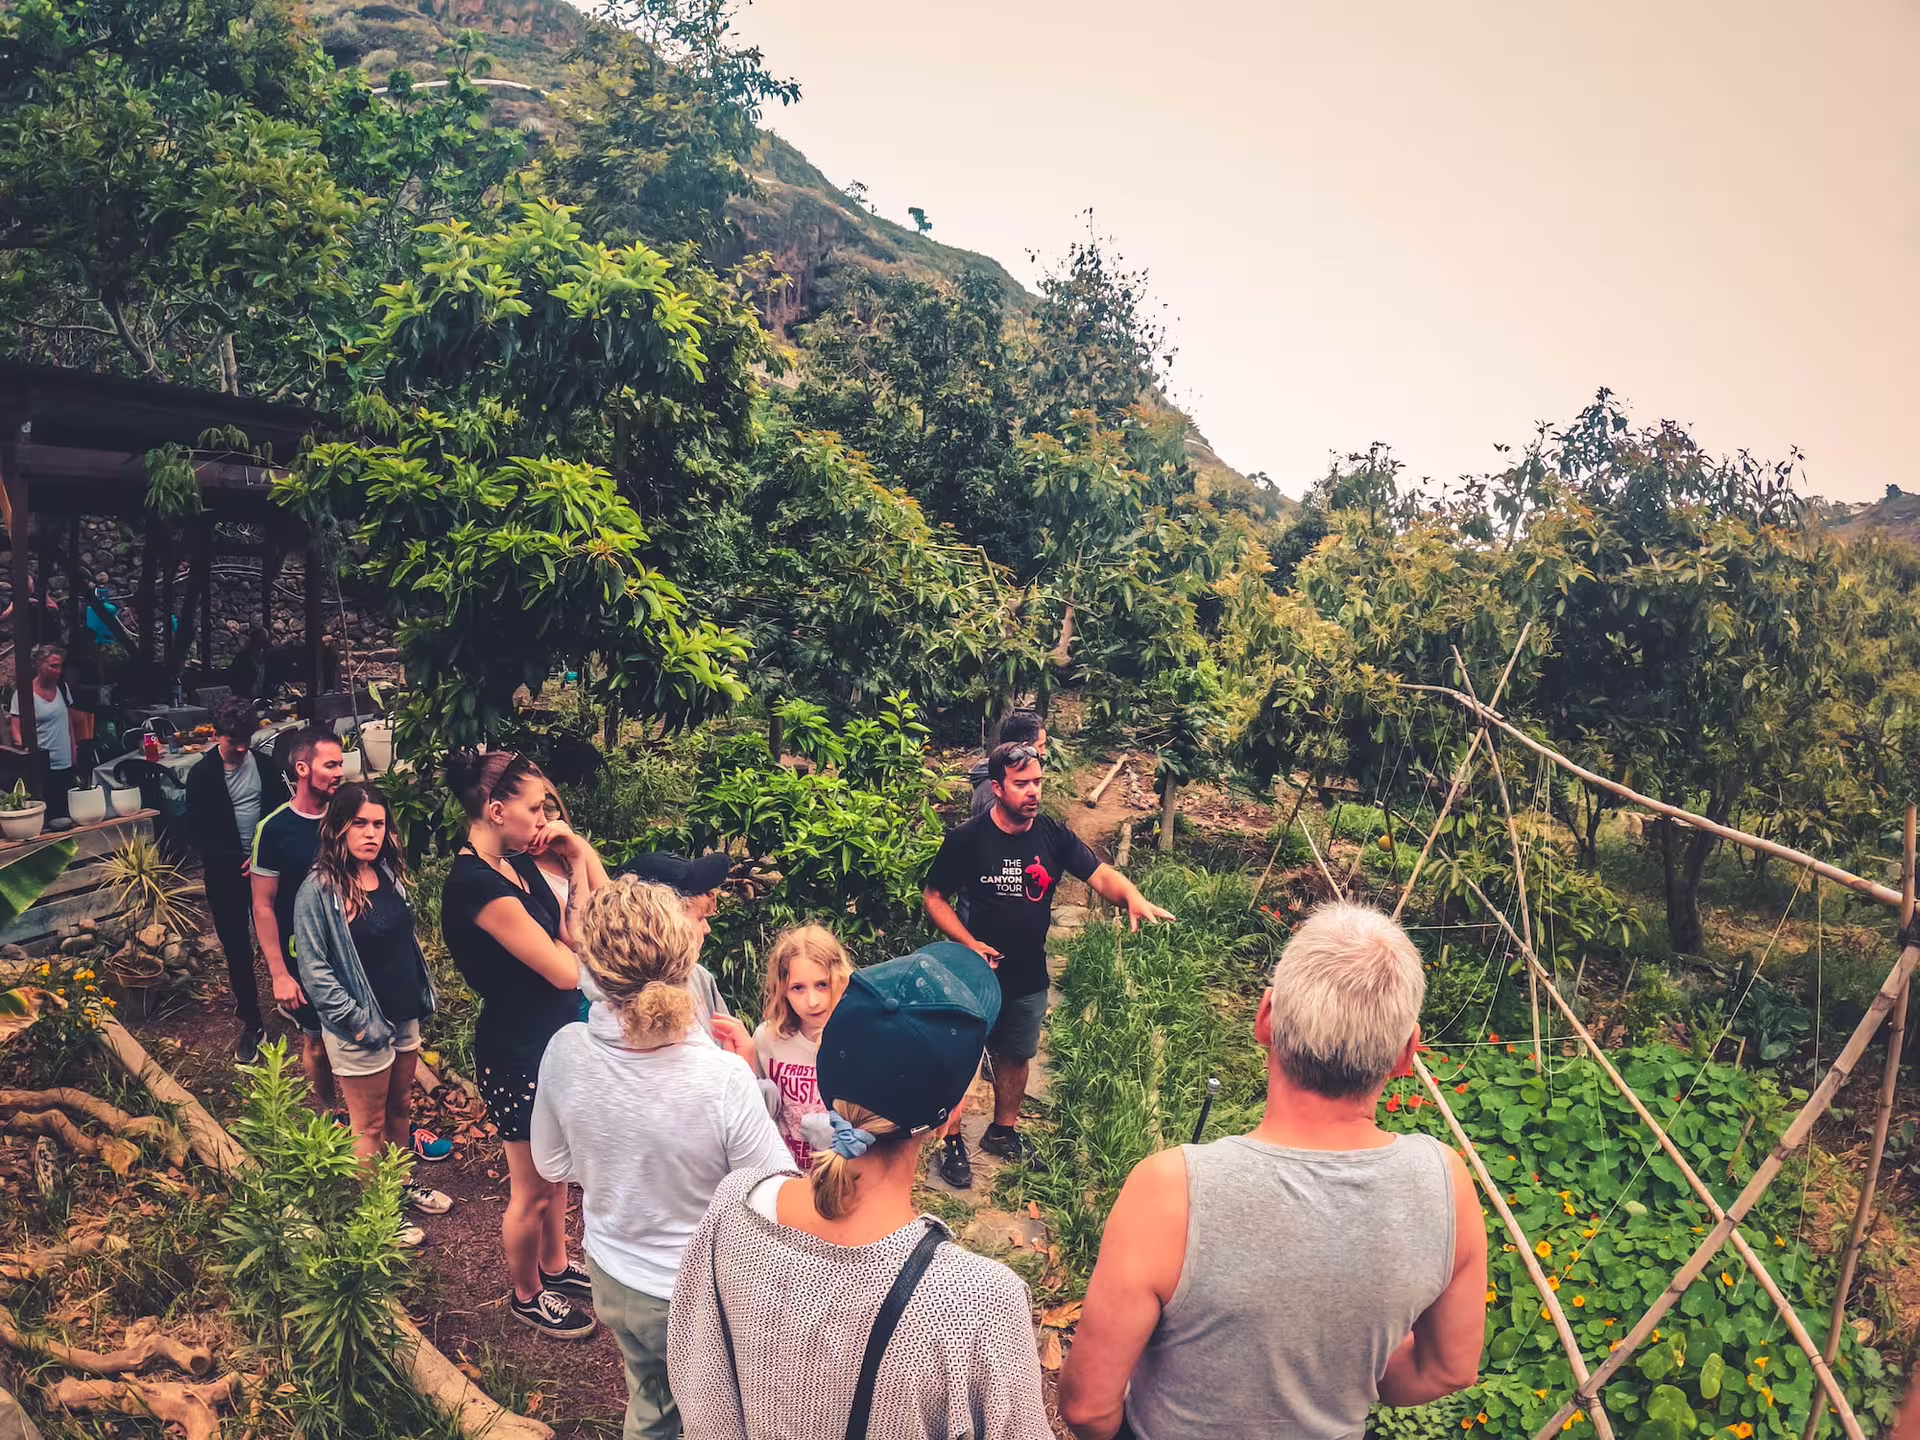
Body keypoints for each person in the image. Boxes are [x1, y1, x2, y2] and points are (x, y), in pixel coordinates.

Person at [1058, 903, 1488, 1440]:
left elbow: (1086, 1408)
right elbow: (1447, 1368)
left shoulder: (1170, 1189)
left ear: (1266, 1017)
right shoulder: (1446, 1183)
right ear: (1407, 1054)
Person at [667, 942, 1052, 1440]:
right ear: (950, 1115)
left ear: (825, 1077)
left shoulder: (733, 1205)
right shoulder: (978, 1303)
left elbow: (699, 1386)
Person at [532, 879, 790, 1434]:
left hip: (613, 1275)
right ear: (686, 958)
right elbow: (774, 1193)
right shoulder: (720, 1078)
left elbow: (553, 1166)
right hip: (699, 1296)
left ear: (590, 969)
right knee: (717, 1418)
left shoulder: (563, 1051)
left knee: (650, 1397)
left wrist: (620, 1160)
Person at [923, 740, 1174, 1186]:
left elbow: (1100, 876)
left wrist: (1131, 895)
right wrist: (968, 942)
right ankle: (951, 1142)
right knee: (959, 1056)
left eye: (1038, 781)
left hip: (1027, 971)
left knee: (1017, 1054)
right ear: (998, 787)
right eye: (1022, 784)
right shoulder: (967, 839)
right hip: (973, 973)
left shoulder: (1053, 836)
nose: (1033, 791)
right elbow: (934, 897)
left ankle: (1003, 1132)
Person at [440, 748, 608, 1339]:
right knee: (531, 1188)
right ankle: (526, 1293)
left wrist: (577, 853)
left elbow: (576, 935)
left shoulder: (517, 866)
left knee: (557, 1172)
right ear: (494, 809)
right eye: (535, 808)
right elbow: (567, 971)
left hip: (554, 1038)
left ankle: (557, 1264)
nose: (543, 818)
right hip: (518, 1051)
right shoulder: (476, 886)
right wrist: (573, 954)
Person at [291, 781, 450, 1245]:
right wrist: (357, 1022)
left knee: (401, 1109)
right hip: (360, 1026)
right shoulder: (317, 890)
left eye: (378, 824)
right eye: (359, 823)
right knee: (370, 1124)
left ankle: (399, 1186)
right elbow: (315, 970)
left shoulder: (387, 874)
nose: (370, 833)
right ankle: (377, 1215)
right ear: (337, 827)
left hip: (402, 1016)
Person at [186, 696, 287, 1063]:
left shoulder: (263, 764)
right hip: (226, 873)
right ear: (215, 735)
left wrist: (264, 857)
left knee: (283, 935)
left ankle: (295, 1001)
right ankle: (252, 1022)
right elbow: (198, 835)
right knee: (237, 949)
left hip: (268, 869)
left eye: (246, 739)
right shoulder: (202, 775)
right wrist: (238, 860)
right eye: (233, 740)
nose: (241, 748)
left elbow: (280, 814)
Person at [251, 728, 346, 1110]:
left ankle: (380, 1122)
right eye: (332, 764)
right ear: (303, 768)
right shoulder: (273, 829)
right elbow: (262, 905)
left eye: (342, 763)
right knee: (317, 1041)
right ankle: (331, 1113)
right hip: (306, 956)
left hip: (357, 946)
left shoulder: (349, 817)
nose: (340, 771)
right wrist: (279, 974)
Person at [617, 850, 756, 1062]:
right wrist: (742, 1071)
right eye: (699, 917)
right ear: (665, 925)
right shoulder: (618, 1005)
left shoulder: (699, 977)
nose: (707, 928)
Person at [751, 924, 853, 1171]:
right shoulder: (768, 1038)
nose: (813, 1001)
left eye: (822, 984)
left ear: (841, 979)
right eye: (798, 988)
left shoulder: (858, 1038)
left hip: (844, 1175)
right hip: (786, 1171)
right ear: (782, 990)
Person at [8, 643, 80, 826]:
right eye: (53, 666)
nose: (58, 670)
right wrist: (25, 752)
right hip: (41, 762)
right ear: (39, 665)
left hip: (63, 759)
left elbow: (68, 722)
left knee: (66, 810)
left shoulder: (62, 689)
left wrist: (73, 750)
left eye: (60, 666)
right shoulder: (24, 694)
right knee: (47, 812)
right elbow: (15, 727)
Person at [965, 709, 1046, 818]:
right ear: (1025, 747)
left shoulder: (995, 777)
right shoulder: (996, 794)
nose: (1044, 752)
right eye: (1040, 746)